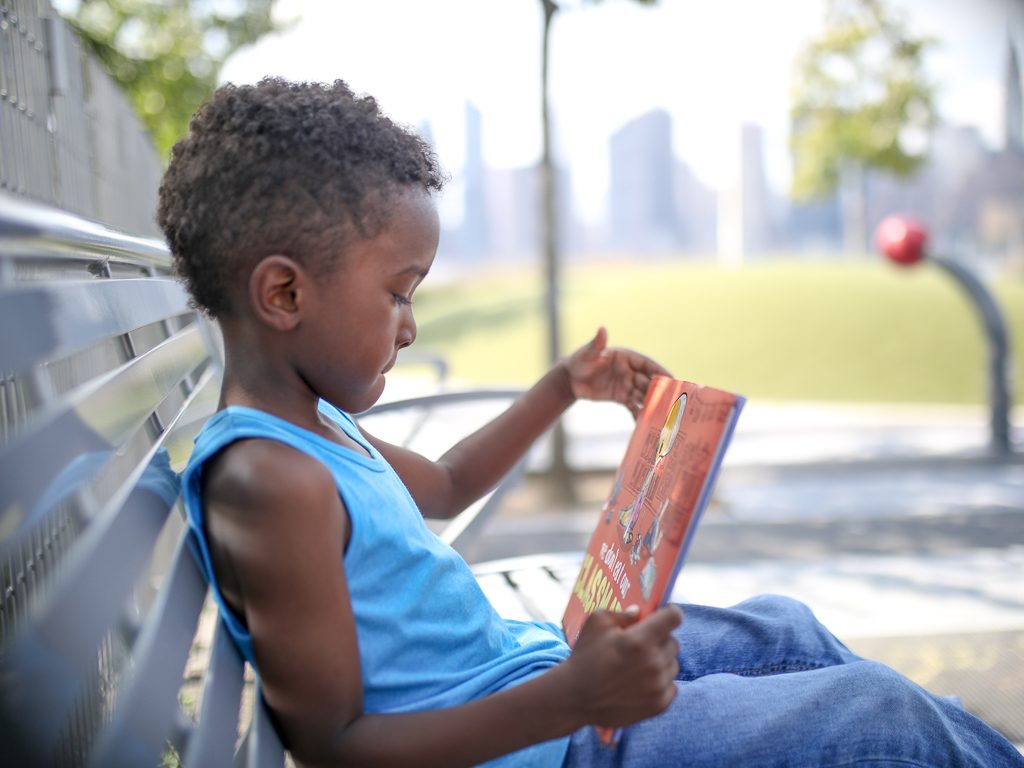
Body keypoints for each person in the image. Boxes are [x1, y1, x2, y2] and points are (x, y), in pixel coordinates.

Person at [159, 78, 1023, 768]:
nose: (411, 325)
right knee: (877, 718)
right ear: (283, 293)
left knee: (785, 627)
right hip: (552, 741)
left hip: (540, 682)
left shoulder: (316, 427)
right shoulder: (266, 480)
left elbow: (451, 483)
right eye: (398, 293)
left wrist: (561, 389)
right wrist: (575, 698)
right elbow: (334, 747)